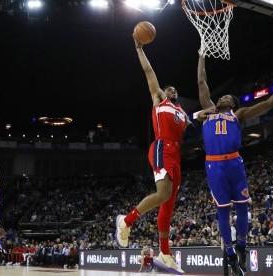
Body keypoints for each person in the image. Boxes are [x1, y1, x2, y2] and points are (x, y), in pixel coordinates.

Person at [196, 55, 273, 275]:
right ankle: (229, 252)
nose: (221, 97)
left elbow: (269, 102)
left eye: (226, 96)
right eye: (222, 96)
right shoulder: (208, 111)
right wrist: (201, 57)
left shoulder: (239, 114)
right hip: (214, 166)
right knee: (222, 212)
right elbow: (201, 82)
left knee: (243, 208)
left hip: (235, 164)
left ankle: (242, 247)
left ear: (233, 104)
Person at [116, 33, 191, 274]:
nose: (172, 90)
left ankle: (165, 254)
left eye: (174, 89)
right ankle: (126, 222)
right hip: (161, 147)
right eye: (168, 88)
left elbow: (201, 117)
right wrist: (140, 49)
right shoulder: (160, 100)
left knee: (168, 205)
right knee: (163, 193)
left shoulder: (182, 113)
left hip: (176, 155)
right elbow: (149, 73)